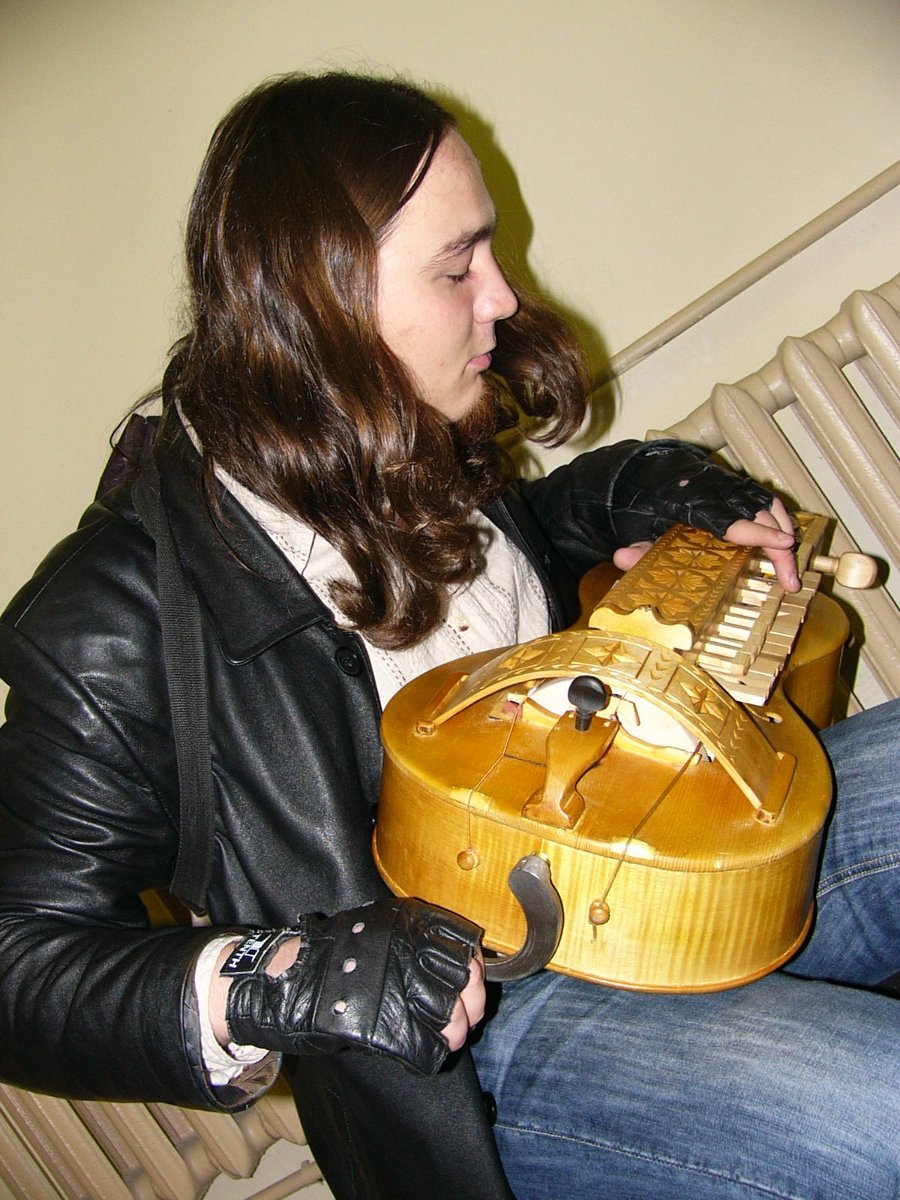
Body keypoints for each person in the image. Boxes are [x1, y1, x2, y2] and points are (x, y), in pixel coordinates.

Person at [0, 72, 896, 1200]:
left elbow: (515, 549)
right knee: (881, 1115)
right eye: (457, 266)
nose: (505, 297)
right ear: (321, 298)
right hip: (484, 1036)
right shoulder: (112, 620)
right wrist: (279, 978)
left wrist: (652, 487)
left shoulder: (383, 420)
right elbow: (16, 957)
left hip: (639, 857)